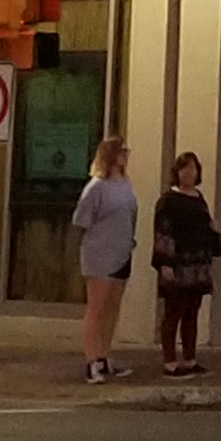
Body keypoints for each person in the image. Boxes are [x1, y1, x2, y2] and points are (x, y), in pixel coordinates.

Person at [152, 152, 221, 378]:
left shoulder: (199, 198)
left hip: (198, 264)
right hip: (178, 264)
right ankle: (170, 362)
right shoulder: (168, 201)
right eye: (184, 169)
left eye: (192, 169)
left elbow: (207, 226)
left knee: (192, 313)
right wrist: (165, 263)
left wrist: (214, 235)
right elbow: (163, 233)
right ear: (177, 173)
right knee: (173, 313)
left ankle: (190, 359)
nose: (188, 173)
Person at [73, 138, 137, 383]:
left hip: (123, 251)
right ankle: (90, 360)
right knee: (96, 309)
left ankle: (104, 355)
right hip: (99, 253)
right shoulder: (97, 187)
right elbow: (82, 220)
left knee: (112, 309)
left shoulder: (126, 184)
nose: (125, 155)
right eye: (122, 151)